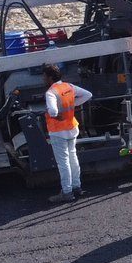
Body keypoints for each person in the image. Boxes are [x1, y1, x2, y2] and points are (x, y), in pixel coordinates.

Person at [40, 63, 92, 204]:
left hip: (58, 131)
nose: (43, 79)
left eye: (44, 76)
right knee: (73, 158)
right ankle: (77, 187)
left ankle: (67, 192)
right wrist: (74, 104)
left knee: (63, 162)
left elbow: (53, 111)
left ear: (50, 77)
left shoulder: (51, 92)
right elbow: (88, 95)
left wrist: (56, 115)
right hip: (71, 127)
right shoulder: (69, 87)